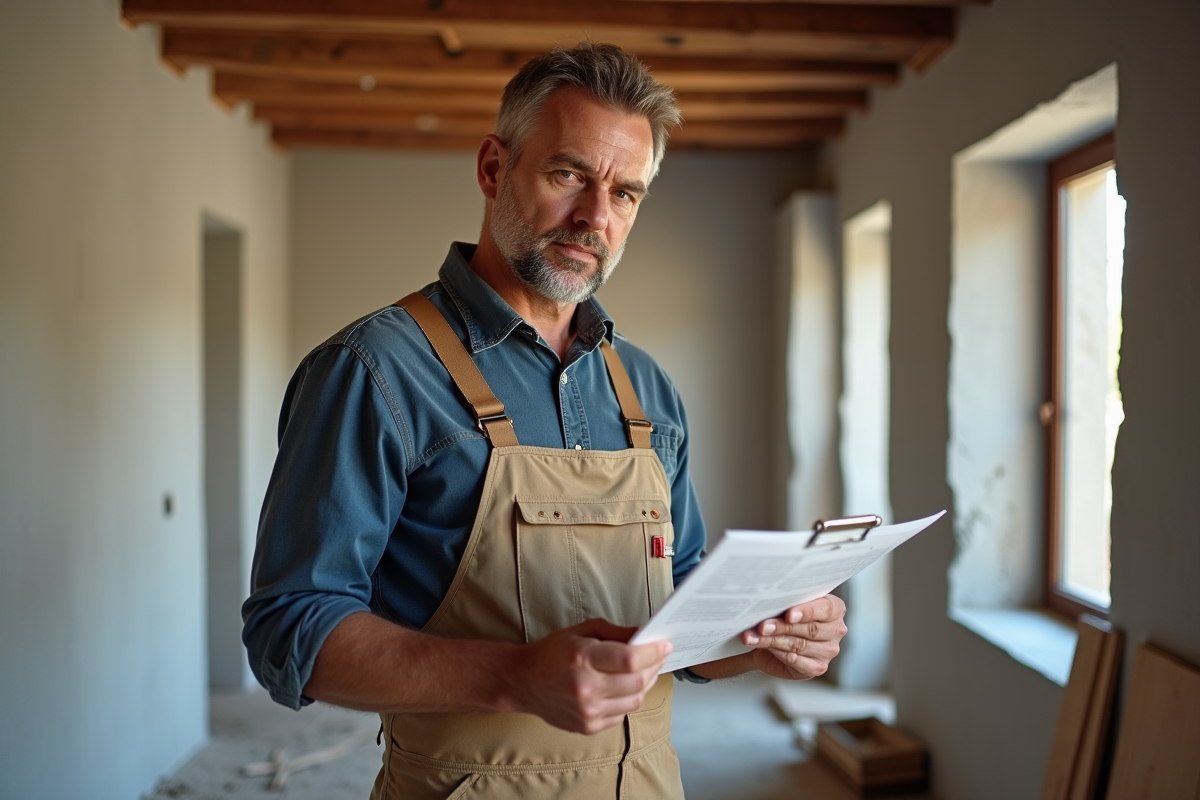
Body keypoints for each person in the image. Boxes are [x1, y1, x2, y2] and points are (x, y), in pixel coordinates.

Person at [243, 41, 848, 799]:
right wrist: (512, 677)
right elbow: (288, 629)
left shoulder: (647, 391)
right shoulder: (374, 370)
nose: (595, 216)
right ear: (494, 168)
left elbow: (679, 618)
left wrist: (764, 637)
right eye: (570, 175)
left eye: (626, 193)